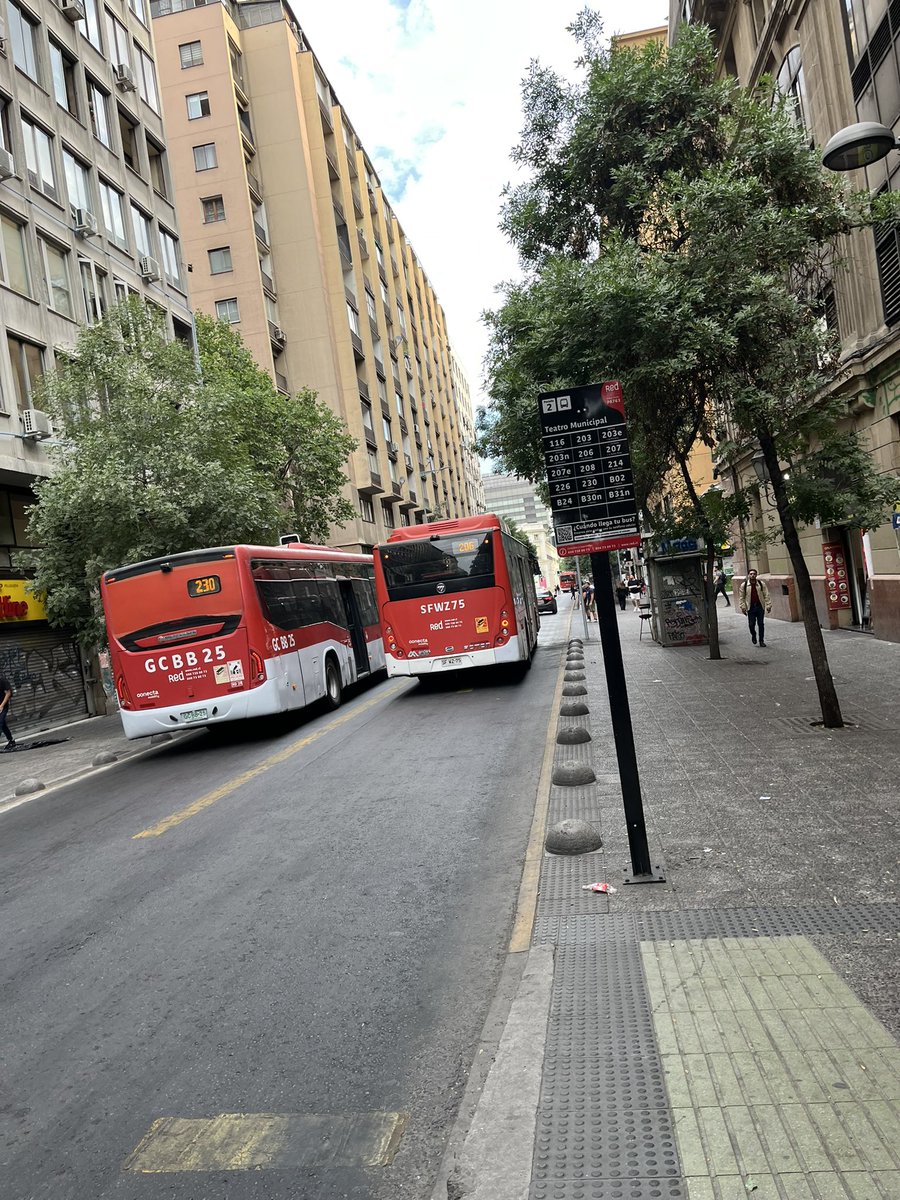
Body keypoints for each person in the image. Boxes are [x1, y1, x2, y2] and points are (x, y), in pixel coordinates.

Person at [739, 568, 771, 647]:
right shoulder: (744, 585)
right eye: (751, 574)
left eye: (754, 574)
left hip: (760, 606)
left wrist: (768, 605)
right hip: (751, 607)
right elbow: (741, 597)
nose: (752, 575)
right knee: (751, 624)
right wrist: (743, 607)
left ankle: (761, 640)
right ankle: (753, 634)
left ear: (756, 575)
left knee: (761, 624)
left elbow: (766, 595)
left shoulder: (761, 584)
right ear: (749, 575)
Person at [0, 675, 16, 750]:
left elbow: (8, 693)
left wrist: (2, 705)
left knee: (1, 723)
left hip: (3, 707)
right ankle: (11, 740)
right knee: (3, 725)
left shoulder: (2, 680)